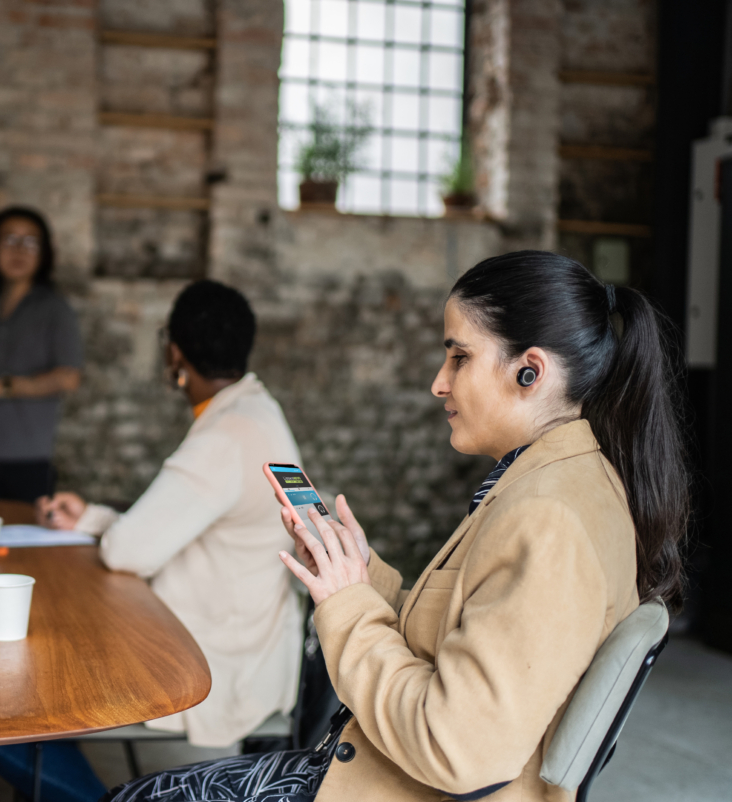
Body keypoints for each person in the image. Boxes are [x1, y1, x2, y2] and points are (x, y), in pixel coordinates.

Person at [101, 251, 689, 802]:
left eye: (459, 357)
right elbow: (463, 635)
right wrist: (360, 573)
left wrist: (345, 608)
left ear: (529, 372)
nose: (439, 381)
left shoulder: (547, 517)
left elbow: (454, 746)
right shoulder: (565, 479)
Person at [0, 280, 306, 802]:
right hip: (253, 641)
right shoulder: (259, 411)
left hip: (212, 660)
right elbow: (178, 520)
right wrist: (90, 517)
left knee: (2, 708)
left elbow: (127, 551)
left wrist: (102, 527)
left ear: (174, 352)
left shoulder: (224, 435)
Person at [0, 206, 83, 503]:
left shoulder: (55, 308)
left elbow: (69, 377)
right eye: (9, 240)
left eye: (30, 242)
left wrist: (2, 387)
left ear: (44, 253)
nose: (19, 250)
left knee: (28, 542)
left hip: (27, 454)